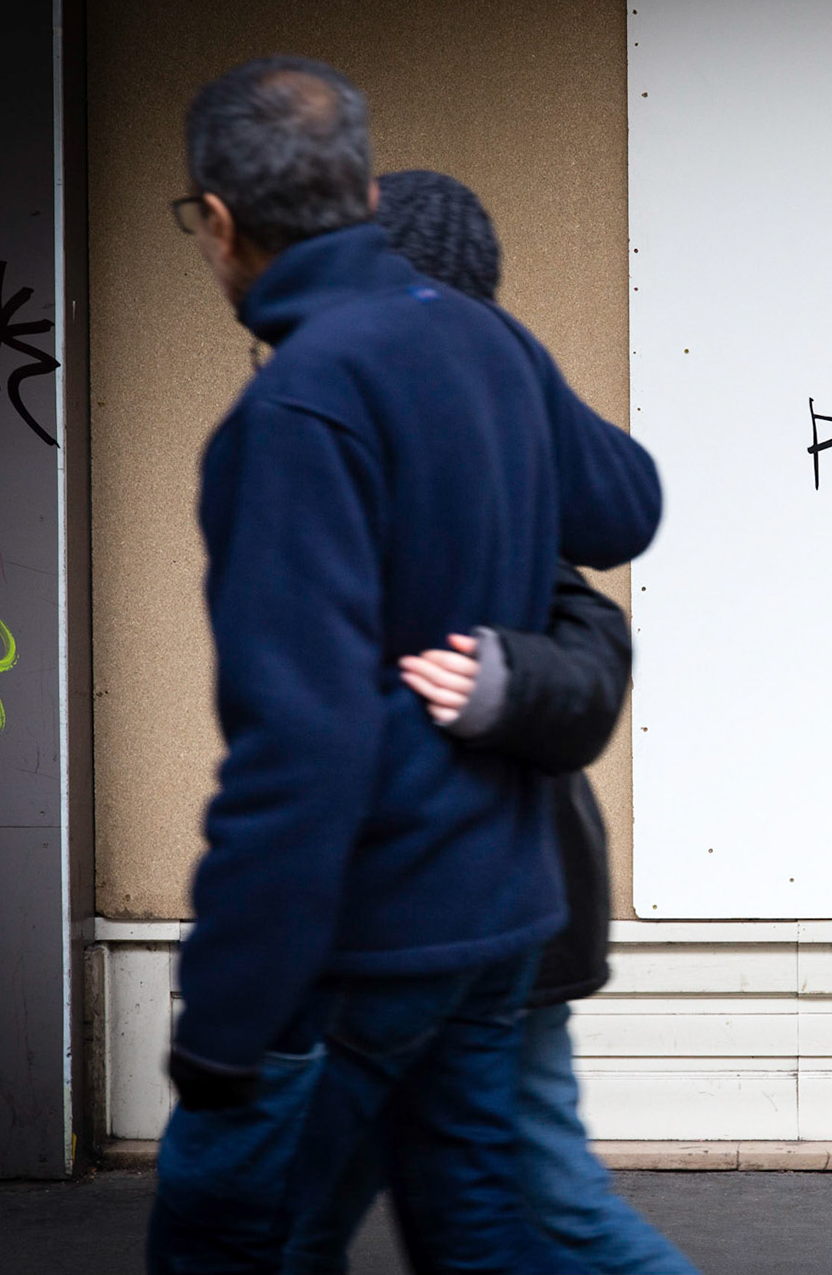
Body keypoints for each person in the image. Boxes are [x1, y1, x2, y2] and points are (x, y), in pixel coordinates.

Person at [148, 58, 660, 1273]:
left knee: (234, 1244)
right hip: (503, 922)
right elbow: (622, 506)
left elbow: (301, 744)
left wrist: (225, 1020)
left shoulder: (296, 412)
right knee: (482, 1235)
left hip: (361, 946)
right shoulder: (484, 341)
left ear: (220, 223)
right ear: (368, 192)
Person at [282, 169, 696, 1275]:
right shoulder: (328, 419)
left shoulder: (493, 445)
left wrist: (504, 680)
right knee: (319, 1219)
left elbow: (599, 622)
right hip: (377, 920)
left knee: (543, 1209)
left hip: (489, 916)